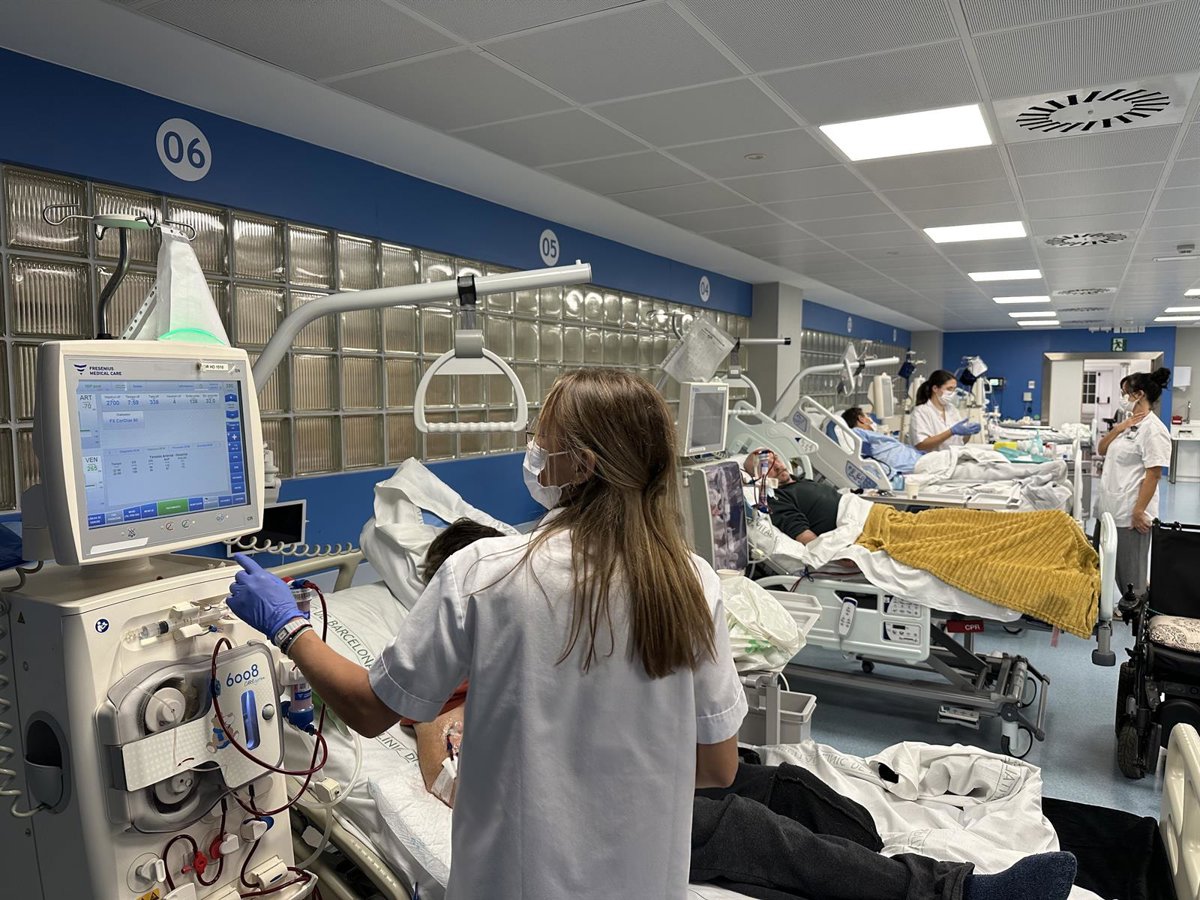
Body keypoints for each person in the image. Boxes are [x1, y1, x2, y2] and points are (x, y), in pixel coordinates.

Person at [226, 368, 747, 900]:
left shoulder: (486, 574)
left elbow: (369, 710)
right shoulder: (692, 582)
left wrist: (288, 626)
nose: (533, 450)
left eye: (542, 438)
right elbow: (718, 765)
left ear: (582, 464)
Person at [1095, 368, 1172, 597]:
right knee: (1106, 566)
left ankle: (1137, 610)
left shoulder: (1154, 430)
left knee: (1131, 576)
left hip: (1130, 513)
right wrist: (1119, 428)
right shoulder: (1129, 424)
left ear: (1139, 395)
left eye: (1125, 393)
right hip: (1109, 507)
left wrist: (1139, 511)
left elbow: (1154, 475)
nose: (1122, 397)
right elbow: (1102, 449)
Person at [743, 448, 841, 544]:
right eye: (766, 466)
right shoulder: (777, 500)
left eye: (776, 458)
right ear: (757, 478)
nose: (777, 466)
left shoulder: (800, 482)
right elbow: (807, 538)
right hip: (843, 531)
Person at [910, 370, 981, 452]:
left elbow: (961, 442)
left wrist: (968, 432)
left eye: (954, 389)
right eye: (949, 389)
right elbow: (921, 445)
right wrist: (951, 432)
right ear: (935, 388)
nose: (953, 393)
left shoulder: (952, 409)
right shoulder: (921, 411)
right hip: (932, 458)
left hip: (954, 457)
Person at [841, 406, 925, 475]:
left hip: (916, 458)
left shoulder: (870, 434)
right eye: (867, 416)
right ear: (861, 419)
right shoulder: (857, 432)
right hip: (913, 463)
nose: (870, 419)